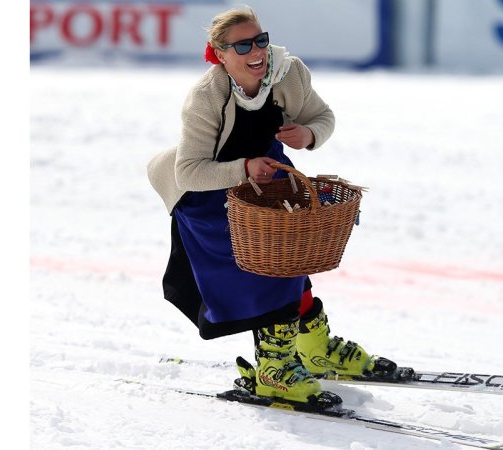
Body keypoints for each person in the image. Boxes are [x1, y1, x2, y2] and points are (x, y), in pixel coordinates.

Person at [146, 6, 396, 407]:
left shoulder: (288, 73)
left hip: (268, 174)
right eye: (243, 45)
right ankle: (274, 368)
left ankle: (312, 346)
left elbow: (323, 116)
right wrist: (244, 168)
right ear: (220, 54)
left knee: (291, 254)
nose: (257, 51)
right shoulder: (207, 96)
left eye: (260, 40)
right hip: (207, 191)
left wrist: (309, 134)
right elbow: (190, 172)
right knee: (264, 270)